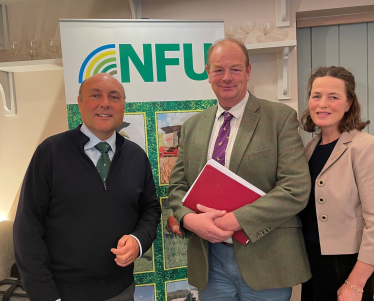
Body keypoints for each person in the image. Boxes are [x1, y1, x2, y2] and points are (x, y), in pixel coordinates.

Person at [168, 38, 311, 301]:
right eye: (218, 70)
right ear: (208, 74)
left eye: (235, 69)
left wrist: (234, 221)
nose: (227, 77)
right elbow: (177, 188)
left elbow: (296, 189)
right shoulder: (192, 127)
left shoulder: (279, 118)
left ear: (248, 71)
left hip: (266, 257)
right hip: (210, 261)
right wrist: (189, 219)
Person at [13, 73, 161, 301]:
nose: (105, 103)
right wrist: (44, 294)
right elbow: (27, 227)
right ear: (80, 103)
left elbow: (150, 210)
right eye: (95, 95)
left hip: (121, 291)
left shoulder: (136, 157)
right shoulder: (50, 152)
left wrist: (138, 240)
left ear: (123, 106)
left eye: (114, 97)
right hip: (62, 294)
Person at [300, 66, 374, 301]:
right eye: (316, 96)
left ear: (349, 103)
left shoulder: (364, 147)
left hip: (348, 266)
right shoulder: (310, 148)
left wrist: (355, 283)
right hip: (312, 262)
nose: (323, 104)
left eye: (333, 97)